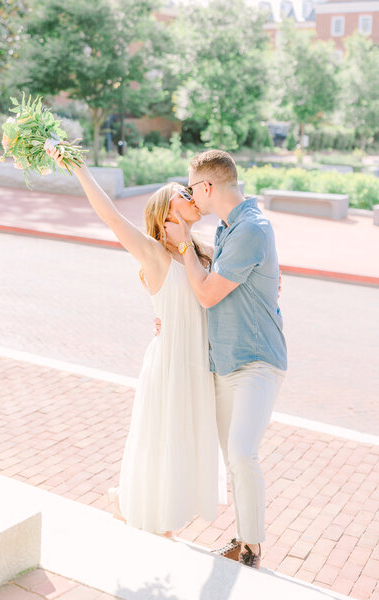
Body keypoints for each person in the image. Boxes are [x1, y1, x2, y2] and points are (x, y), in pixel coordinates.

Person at [45, 146, 221, 536]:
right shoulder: (154, 254)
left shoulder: (204, 255)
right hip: (169, 362)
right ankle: (152, 518)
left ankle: (146, 509)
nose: (193, 198)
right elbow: (110, 215)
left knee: (187, 442)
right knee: (162, 442)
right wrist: (78, 168)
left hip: (196, 364)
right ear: (166, 209)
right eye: (184, 193)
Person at [165, 149, 287, 568]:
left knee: (241, 452)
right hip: (225, 363)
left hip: (256, 359)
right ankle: (243, 541)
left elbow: (207, 293)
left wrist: (182, 246)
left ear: (208, 187)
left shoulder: (250, 228)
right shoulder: (227, 229)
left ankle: (252, 548)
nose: (190, 196)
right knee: (234, 458)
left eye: (191, 187)